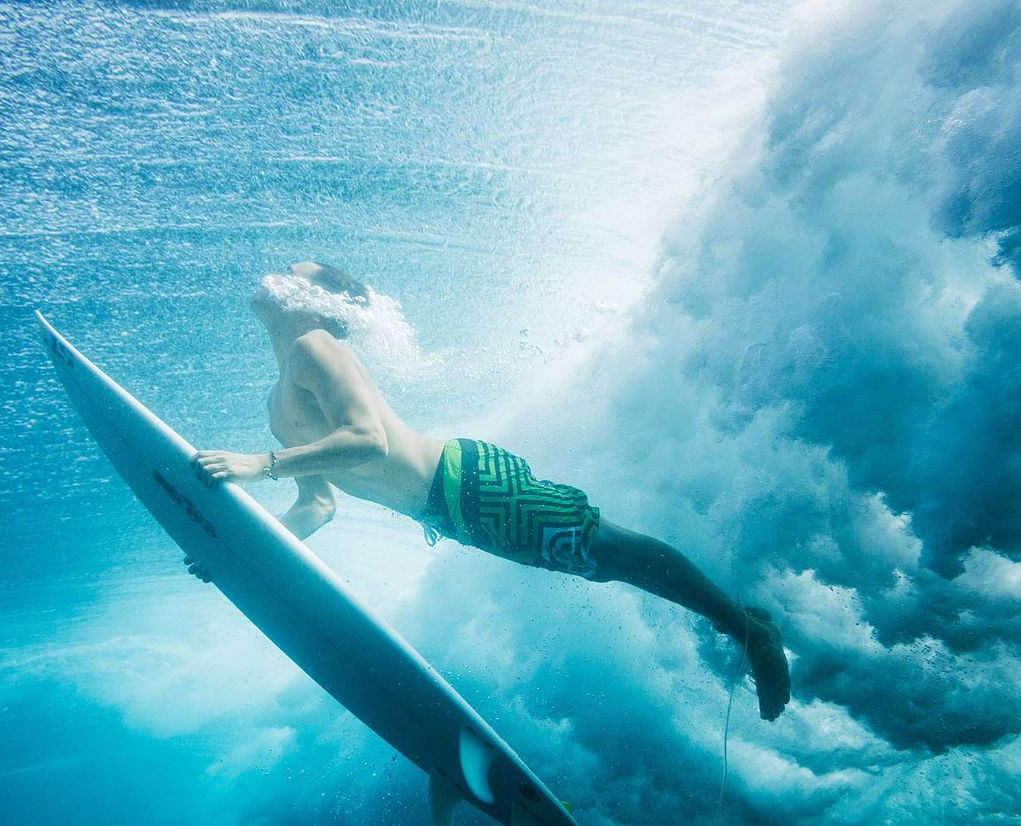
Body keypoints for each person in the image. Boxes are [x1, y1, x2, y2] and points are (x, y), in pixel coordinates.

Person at [189, 262, 791, 719]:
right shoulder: (277, 400)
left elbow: (367, 438)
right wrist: (237, 549)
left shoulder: (313, 347)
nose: (281, 271)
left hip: (470, 485)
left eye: (298, 269)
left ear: (321, 301)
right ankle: (741, 620)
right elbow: (317, 506)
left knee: (607, 553)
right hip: (454, 510)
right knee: (601, 561)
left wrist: (260, 465)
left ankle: (746, 628)